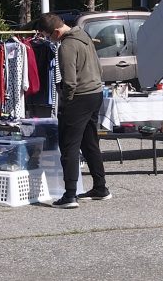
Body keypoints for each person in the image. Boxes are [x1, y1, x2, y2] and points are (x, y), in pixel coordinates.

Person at [37, 13, 111, 208]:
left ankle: (70, 195)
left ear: (55, 31)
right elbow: (99, 69)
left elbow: (69, 80)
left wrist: (66, 102)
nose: (48, 39)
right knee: (89, 143)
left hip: (79, 97)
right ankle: (100, 187)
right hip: (95, 93)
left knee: (69, 146)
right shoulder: (85, 36)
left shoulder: (67, 46)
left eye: (47, 36)